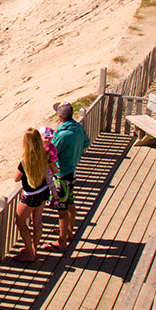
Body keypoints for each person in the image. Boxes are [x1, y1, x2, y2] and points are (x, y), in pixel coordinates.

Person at [47, 102, 88, 251]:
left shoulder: (63, 134)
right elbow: (86, 142)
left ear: (59, 116)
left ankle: (62, 241)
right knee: (70, 202)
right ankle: (69, 231)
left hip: (62, 175)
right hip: (72, 170)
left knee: (62, 209)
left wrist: (56, 133)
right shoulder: (77, 128)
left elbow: (51, 152)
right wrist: (75, 154)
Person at [13, 127, 53, 262]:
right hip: (43, 191)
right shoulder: (46, 155)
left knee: (19, 222)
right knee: (37, 221)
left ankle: (30, 253)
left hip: (30, 195)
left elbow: (16, 178)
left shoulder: (26, 160)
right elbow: (55, 170)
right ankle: (33, 248)